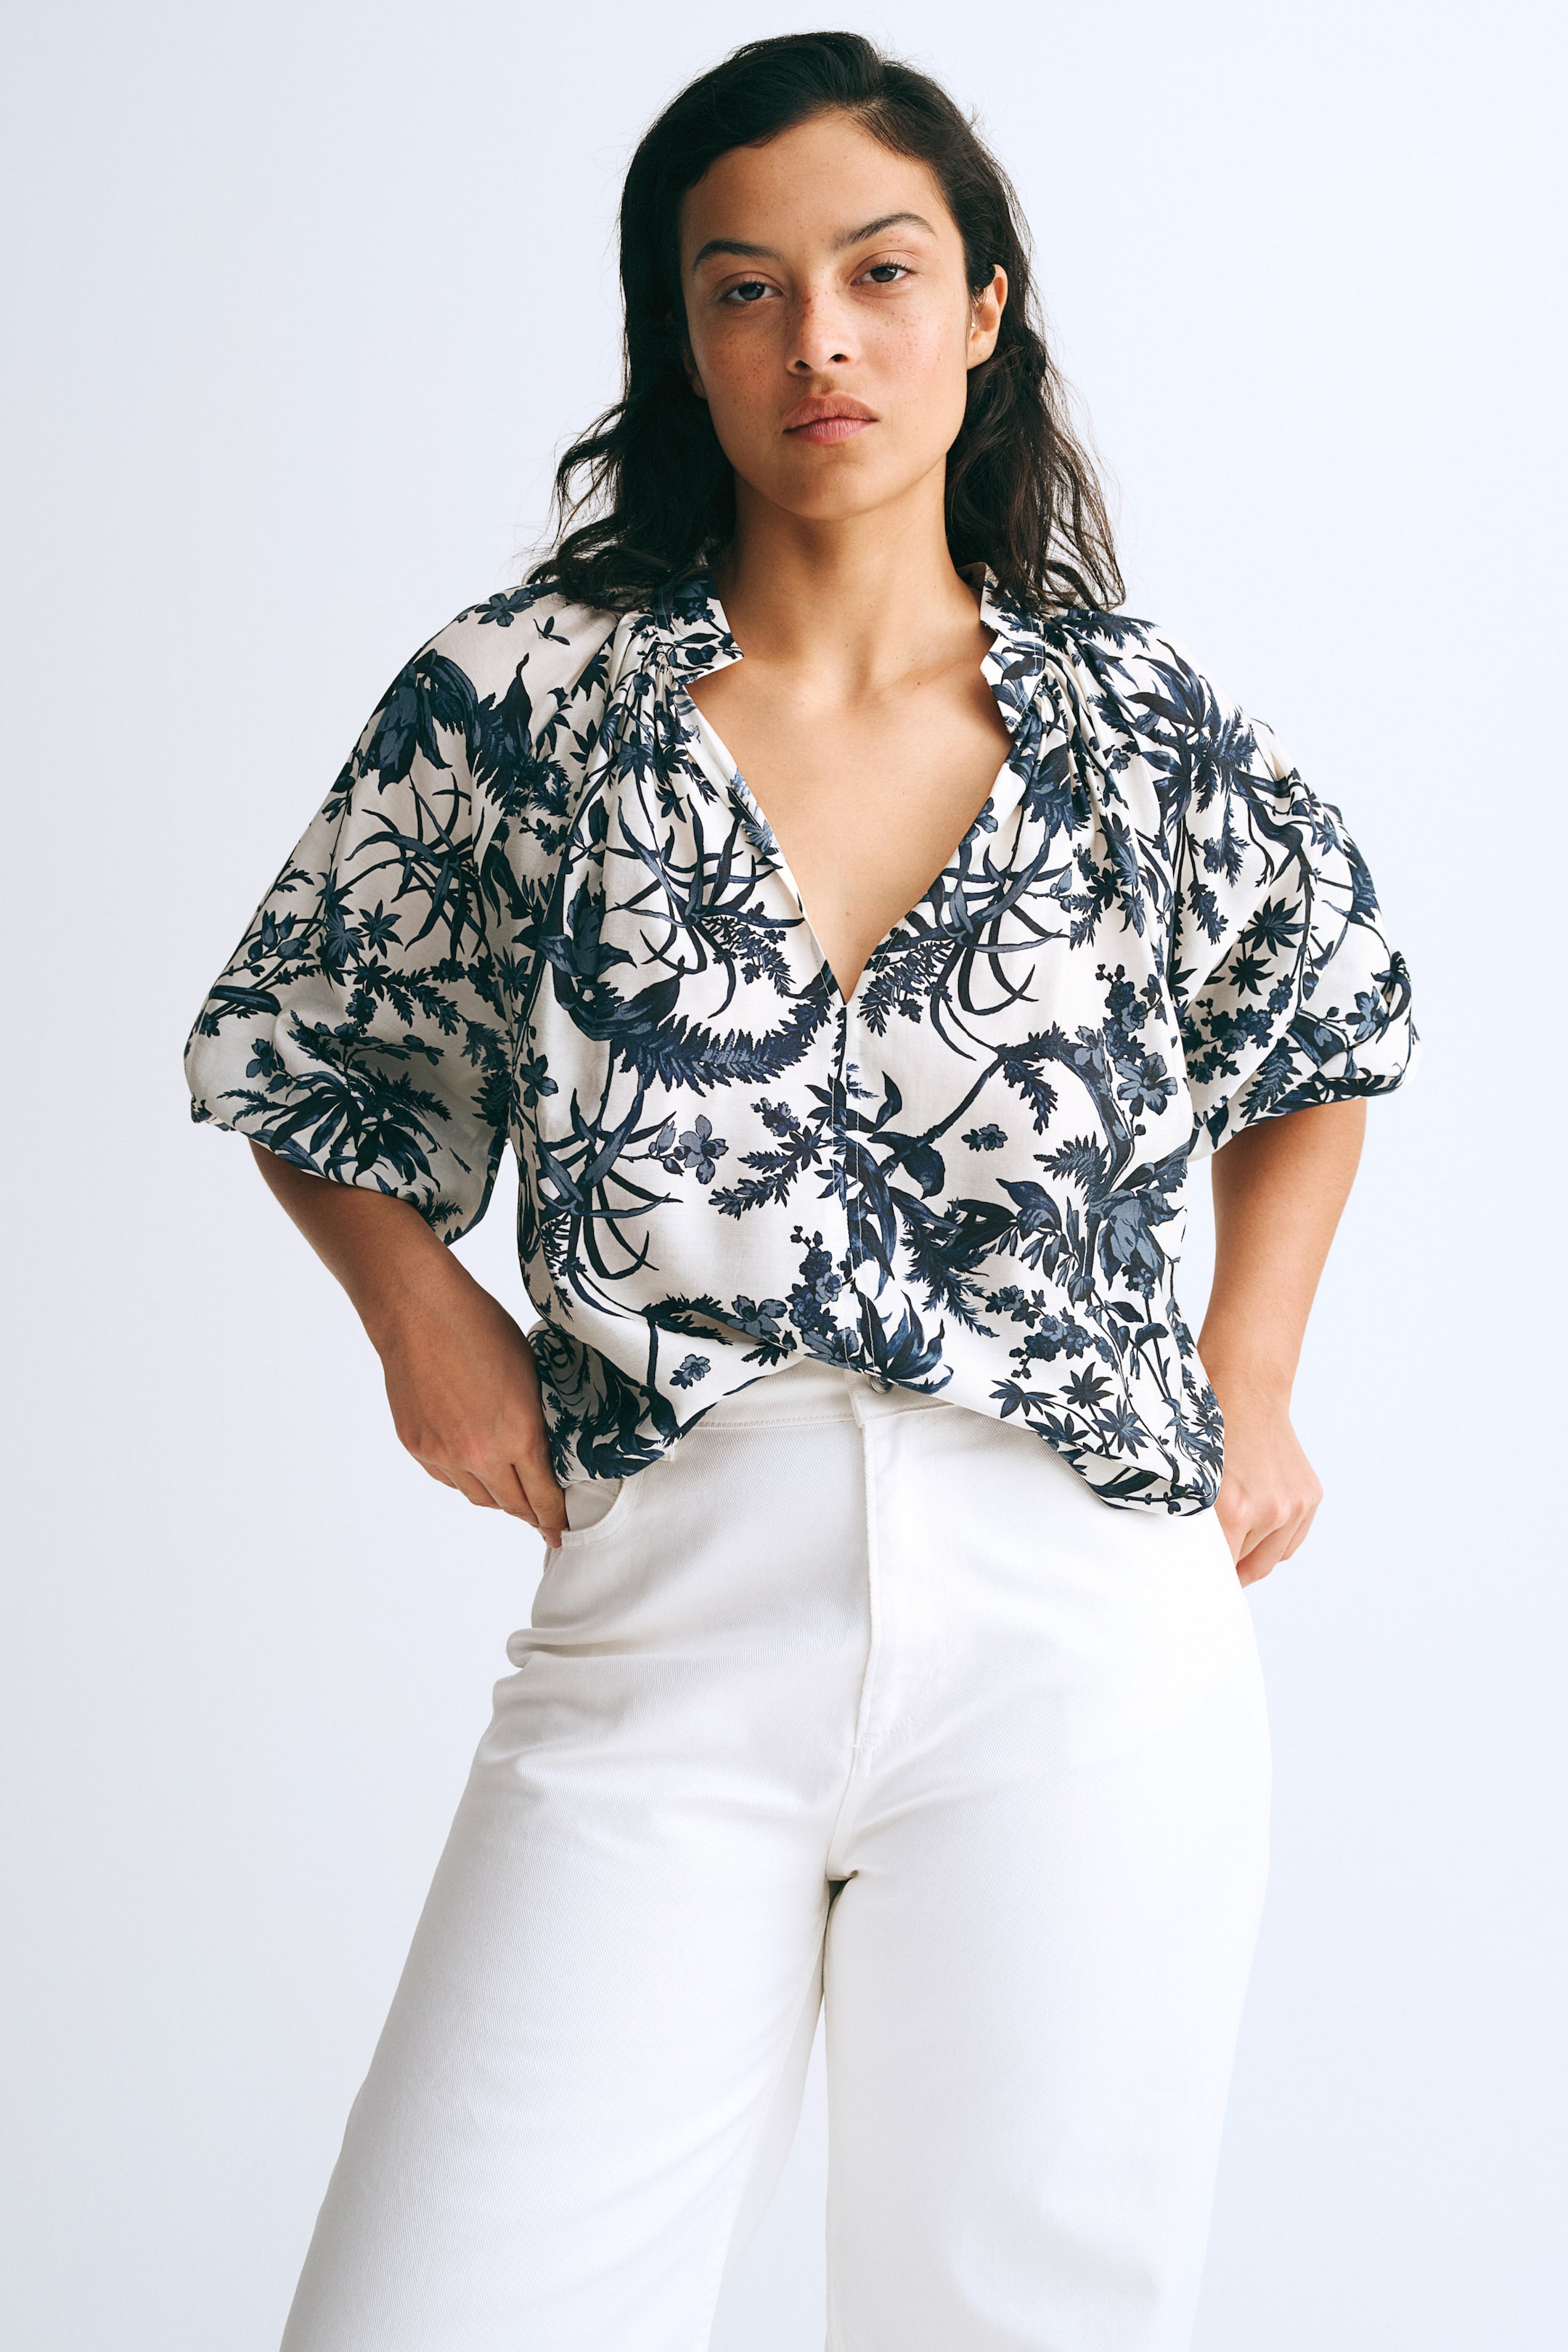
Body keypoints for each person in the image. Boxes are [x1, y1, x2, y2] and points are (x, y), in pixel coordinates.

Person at [185, 30, 1417, 2352]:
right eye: (742, 288)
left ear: (986, 307)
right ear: (683, 337)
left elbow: (1321, 1023)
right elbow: (307, 1045)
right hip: (675, 1592)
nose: (815, 340)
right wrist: (422, 1320)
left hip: (1085, 1619)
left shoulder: (1133, 721)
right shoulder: (528, 698)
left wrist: (1252, 1377)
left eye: (878, 272)